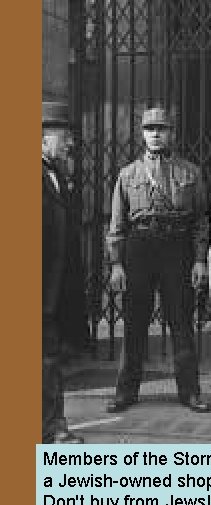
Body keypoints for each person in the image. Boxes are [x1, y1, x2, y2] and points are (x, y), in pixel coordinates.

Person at [106, 106, 211, 413]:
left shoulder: (190, 172)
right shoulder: (128, 174)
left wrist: (199, 259)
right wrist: (116, 263)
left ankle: (190, 392)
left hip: (177, 248)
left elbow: (200, 221)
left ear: (172, 133)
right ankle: (125, 392)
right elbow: (117, 224)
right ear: (142, 134)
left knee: (181, 321)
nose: (155, 134)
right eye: (149, 129)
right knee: (135, 323)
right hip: (139, 248)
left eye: (161, 129)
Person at [42, 101, 84, 443]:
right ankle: (53, 427)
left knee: (48, 358)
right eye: (64, 135)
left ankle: (53, 425)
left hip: (52, 290)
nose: (69, 143)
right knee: (46, 360)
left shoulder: (56, 175)